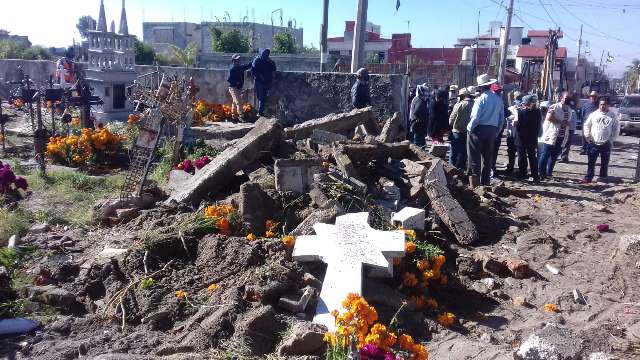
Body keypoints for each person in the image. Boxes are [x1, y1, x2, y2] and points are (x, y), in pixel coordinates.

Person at [466, 74, 505, 187]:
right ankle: (486, 182)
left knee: (474, 157)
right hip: (492, 130)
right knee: (488, 159)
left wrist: (469, 129)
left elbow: (475, 117)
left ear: (481, 87)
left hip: (478, 129)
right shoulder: (498, 99)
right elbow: (501, 119)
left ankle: (475, 183)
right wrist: (496, 131)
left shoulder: (480, 99)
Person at [580, 97, 620, 183]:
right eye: (601, 104)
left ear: (608, 105)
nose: (602, 106)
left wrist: (611, 140)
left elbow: (616, 129)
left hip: (606, 143)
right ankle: (588, 177)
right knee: (591, 162)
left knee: (604, 163)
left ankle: (603, 177)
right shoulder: (593, 114)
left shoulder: (612, 116)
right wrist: (587, 136)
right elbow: (586, 125)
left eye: (604, 104)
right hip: (593, 142)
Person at [538, 92, 571, 180]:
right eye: (566, 97)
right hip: (551, 135)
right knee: (545, 154)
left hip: (561, 136)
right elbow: (549, 117)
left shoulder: (569, 109)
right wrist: (561, 122)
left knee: (554, 156)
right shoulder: (554, 107)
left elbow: (567, 121)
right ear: (561, 98)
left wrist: (567, 124)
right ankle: (541, 173)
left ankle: (549, 173)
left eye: (569, 98)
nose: (567, 99)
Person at [515, 95, 542, 181]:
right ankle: (535, 174)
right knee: (532, 156)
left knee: (522, 156)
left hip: (521, 137)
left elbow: (518, 125)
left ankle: (523, 173)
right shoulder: (538, 112)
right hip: (533, 137)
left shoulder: (521, 112)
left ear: (525, 103)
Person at [448, 88, 473, 170]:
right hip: (469, 133)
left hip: (457, 132)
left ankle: (451, 170)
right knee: (464, 153)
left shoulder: (459, 105)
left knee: (454, 154)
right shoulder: (475, 104)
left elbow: (451, 120)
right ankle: (462, 170)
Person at [251, 48, 277, 116]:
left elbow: (274, 69)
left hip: (267, 81)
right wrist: (260, 77)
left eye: (267, 53)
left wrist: (271, 62)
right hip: (259, 82)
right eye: (264, 53)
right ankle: (260, 112)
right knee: (261, 97)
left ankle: (261, 112)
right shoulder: (257, 60)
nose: (266, 54)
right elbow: (254, 70)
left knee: (264, 97)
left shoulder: (269, 61)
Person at [227, 54, 252, 120]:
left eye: (239, 60)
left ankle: (234, 117)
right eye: (237, 60)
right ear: (233, 61)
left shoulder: (241, 67)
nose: (238, 61)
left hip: (238, 88)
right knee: (239, 102)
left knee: (235, 102)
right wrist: (237, 82)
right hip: (233, 88)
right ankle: (241, 116)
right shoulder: (232, 69)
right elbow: (229, 80)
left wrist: (256, 59)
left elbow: (249, 65)